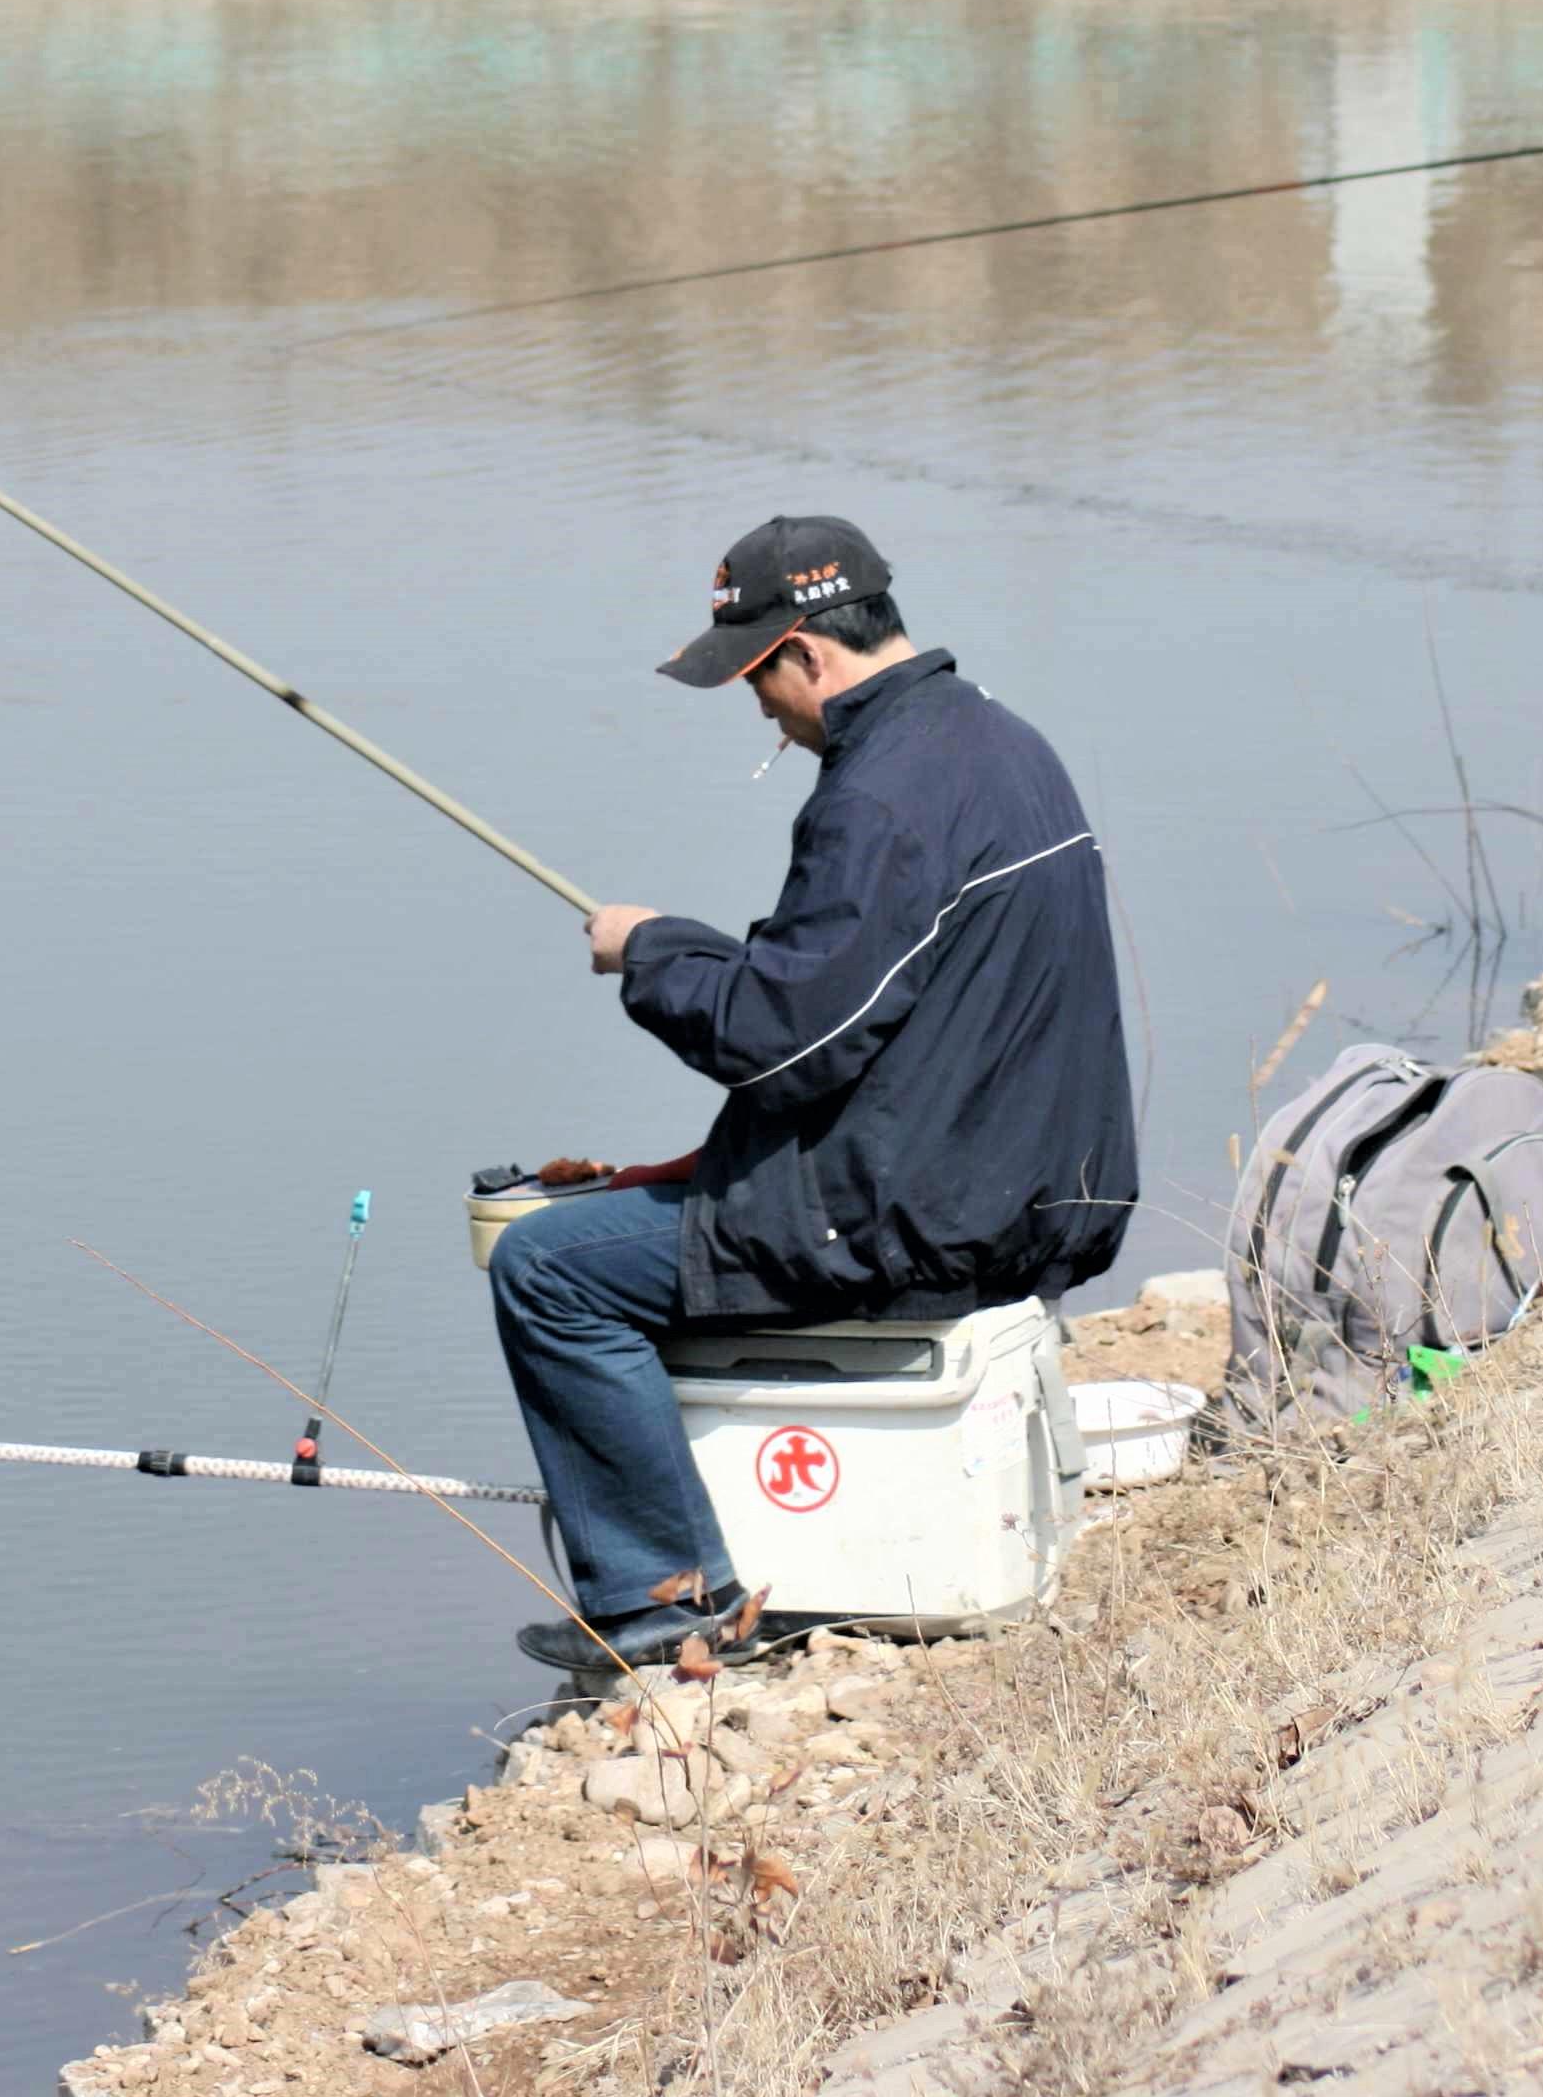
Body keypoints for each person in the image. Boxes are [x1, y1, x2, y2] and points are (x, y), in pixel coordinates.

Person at [487, 517, 1137, 1673]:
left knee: (549, 1268)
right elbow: (867, 1013)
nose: (761, 712)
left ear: (808, 655)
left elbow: (788, 1046)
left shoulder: (881, 795)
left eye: (754, 678)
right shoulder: (1004, 743)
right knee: (644, 1209)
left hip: (925, 1221)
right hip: (1032, 1196)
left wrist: (647, 954)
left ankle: (665, 1599)